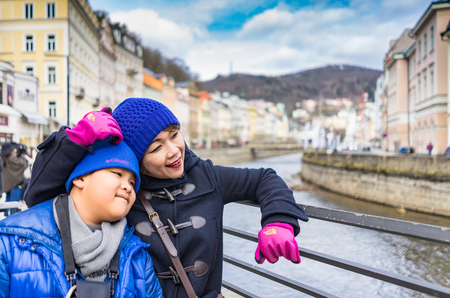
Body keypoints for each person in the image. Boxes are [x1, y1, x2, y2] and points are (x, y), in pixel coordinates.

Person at [24, 99, 309, 298]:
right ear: (137, 159)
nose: (173, 151)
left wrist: (277, 221)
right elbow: (40, 196)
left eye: (174, 135)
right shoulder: (124, 193)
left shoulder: (207, 176)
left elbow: (264, 178)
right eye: (156, 147)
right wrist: (75, 140)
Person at [0, 138, 163, 297]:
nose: (128, 187)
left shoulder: (137, 256)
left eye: (133, 183)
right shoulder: (11, 242)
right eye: (118, 173)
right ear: (80, 178)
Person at [1, 142, 29, 216]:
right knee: (14, 204)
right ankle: (12, 217)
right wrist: (22, 154)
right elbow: (22, 164)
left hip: (7, 185)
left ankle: (6, 215)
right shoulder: (11, 159)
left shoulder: (3, 158)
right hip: (14, 185)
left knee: (7, 202)